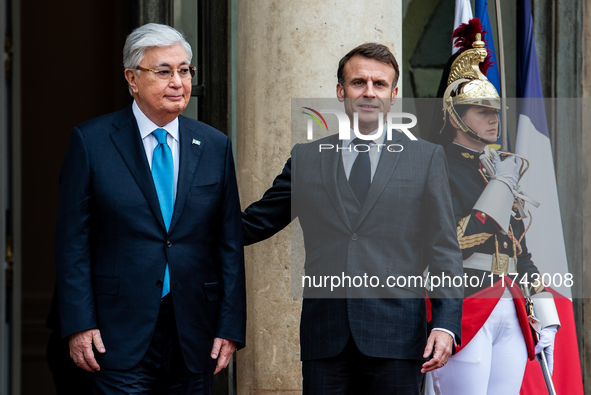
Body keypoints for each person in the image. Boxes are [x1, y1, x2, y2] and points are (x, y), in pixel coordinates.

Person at [242, 43, 464, 394]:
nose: (369, 92)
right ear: (340, 91)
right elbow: (256, 222)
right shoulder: (307, 158)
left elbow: (444, 250)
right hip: (325, 338)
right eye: (359, 82)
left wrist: (446, 323)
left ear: (393, 96)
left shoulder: (426, 158)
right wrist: (185, 224)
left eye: (379, 84)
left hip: (398, 338)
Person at [54, 23, 246, 394]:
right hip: (114, 334)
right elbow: (72, 242)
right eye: (164, 71)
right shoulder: (91, 142)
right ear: (132, 78)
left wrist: (230, 326)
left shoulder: (214, 145)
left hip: (196, 333)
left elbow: (228, 243)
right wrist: (79, 323)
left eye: (184, 70)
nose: (178, 81)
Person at [428, 19, 560, 394]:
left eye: (495, 110)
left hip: (512, 307)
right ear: (455, 115)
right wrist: (503, 185)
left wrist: (545, 316)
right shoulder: (438, 164)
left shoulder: (494, 168)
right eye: (481, 110)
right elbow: (456, 237)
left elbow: (521, 251)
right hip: (466, 304)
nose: (493, 118)